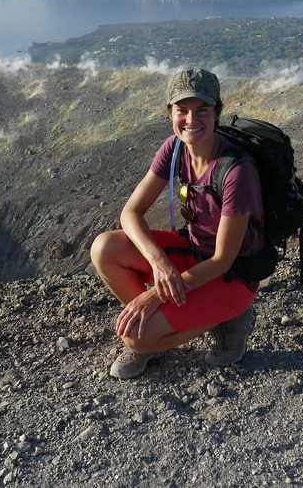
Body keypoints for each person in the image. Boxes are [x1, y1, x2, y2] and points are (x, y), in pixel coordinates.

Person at [90, 68, 264, 380]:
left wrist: (153, 295)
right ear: (170, 112)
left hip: (232, 277)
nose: (191, 120)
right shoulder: (174, 149)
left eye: (202, 111)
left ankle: (231, 319)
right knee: (105, 247)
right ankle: (158, 330)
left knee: (135, 338)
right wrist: (159, 263)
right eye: (181, 110)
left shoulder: (237, 171)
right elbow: (130, 213)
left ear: (217, 113)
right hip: (192, 254)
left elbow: (223, 260)